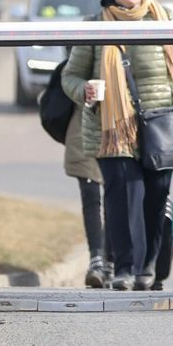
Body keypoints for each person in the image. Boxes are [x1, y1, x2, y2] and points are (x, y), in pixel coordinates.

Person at [62, 0, 173, 291]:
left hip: (160, 126)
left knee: (155, 197)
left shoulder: (165, 21)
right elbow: (70, 76)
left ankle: (147, 265)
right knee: (122, 197)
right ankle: (123, 267)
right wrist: (85, 90)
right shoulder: (95, 25)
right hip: (113, 130)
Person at [63, 97, 106, 289]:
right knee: (91, 197)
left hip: (123, 129)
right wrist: (82, 89)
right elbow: (68, 82)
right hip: (84, 130)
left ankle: (111, 259)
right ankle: (97, 259)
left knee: (117, 197)